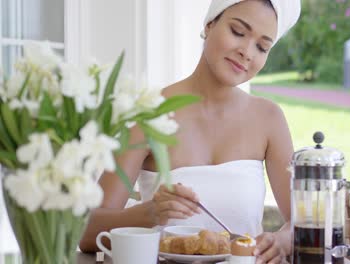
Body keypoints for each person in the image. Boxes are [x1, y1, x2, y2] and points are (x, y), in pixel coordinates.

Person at [79, 0, 301, 263]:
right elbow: (85, 232)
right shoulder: (150, 111)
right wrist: (148, 213)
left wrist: (284, 240)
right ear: (209, 25)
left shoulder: (269, 118)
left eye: (262, 47)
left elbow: (303, 222)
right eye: (238, 32)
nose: (247, 52)